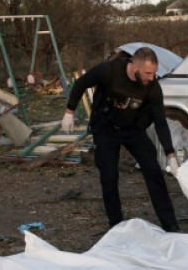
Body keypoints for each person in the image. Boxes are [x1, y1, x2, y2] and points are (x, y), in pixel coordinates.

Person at [60, 47, 181, 232]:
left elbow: (160, 122)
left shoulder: (152, 87)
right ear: (134, 67)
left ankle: (170, 223)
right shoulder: (110, 71)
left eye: (154, 73)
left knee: (153, 171)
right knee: (109, 176)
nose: (151, 77)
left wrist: (170, 153)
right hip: (106, 128)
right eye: (147, 72)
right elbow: (81, 83)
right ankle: (116, 225)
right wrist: (69, 111)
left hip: (133, 129)